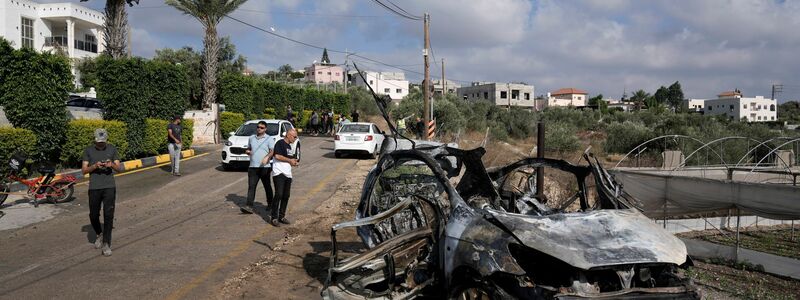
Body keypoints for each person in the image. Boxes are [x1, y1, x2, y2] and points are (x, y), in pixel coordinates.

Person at [82, 129, 122, 257]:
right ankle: (99, 233)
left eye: (103, 142)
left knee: (108, 215)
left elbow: (119, 169)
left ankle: (106, 243)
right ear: (95, 140)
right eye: (99, 143)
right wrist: (94, 166)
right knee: (93, 214)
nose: (101, 144)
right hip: (94, 187)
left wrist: (111, 165)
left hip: (109, 186)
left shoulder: (112, 149)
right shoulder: (88, 150)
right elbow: (84, 170)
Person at [241, 121, 273, 215]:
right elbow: (249, 148)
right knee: (251, 187)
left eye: (262, 127)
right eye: (258, 127)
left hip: (264, 167)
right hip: (253, 167)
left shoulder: (269, 139)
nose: (259, 129)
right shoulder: (251, 138)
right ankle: (249, 206)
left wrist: (267, 157)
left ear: (265, 129)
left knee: (267, 186)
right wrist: (247, 151)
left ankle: (270, 204)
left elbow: (272, 151)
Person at [269, 128, 299, 226]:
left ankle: (282, 216)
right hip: (279, 173)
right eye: (294, 137)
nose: (295, 138)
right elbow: (277, 156)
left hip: (287, 174)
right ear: (288, 135)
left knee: (286, 195)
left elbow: (288, 159)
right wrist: (289, 161)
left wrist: (293, 162)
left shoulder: (289, 146)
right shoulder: (280, 143)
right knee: (279, 194)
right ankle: (274, 217)